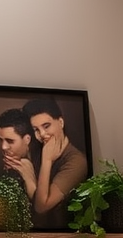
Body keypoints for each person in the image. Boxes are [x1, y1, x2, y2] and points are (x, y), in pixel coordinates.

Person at [5, 95, 89, 230]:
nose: (42, 134)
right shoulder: (37, 151)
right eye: (36, 130)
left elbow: (42, 206)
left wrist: (33, 178)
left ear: (60, 122)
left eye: (46, 126)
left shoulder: (76, 161)